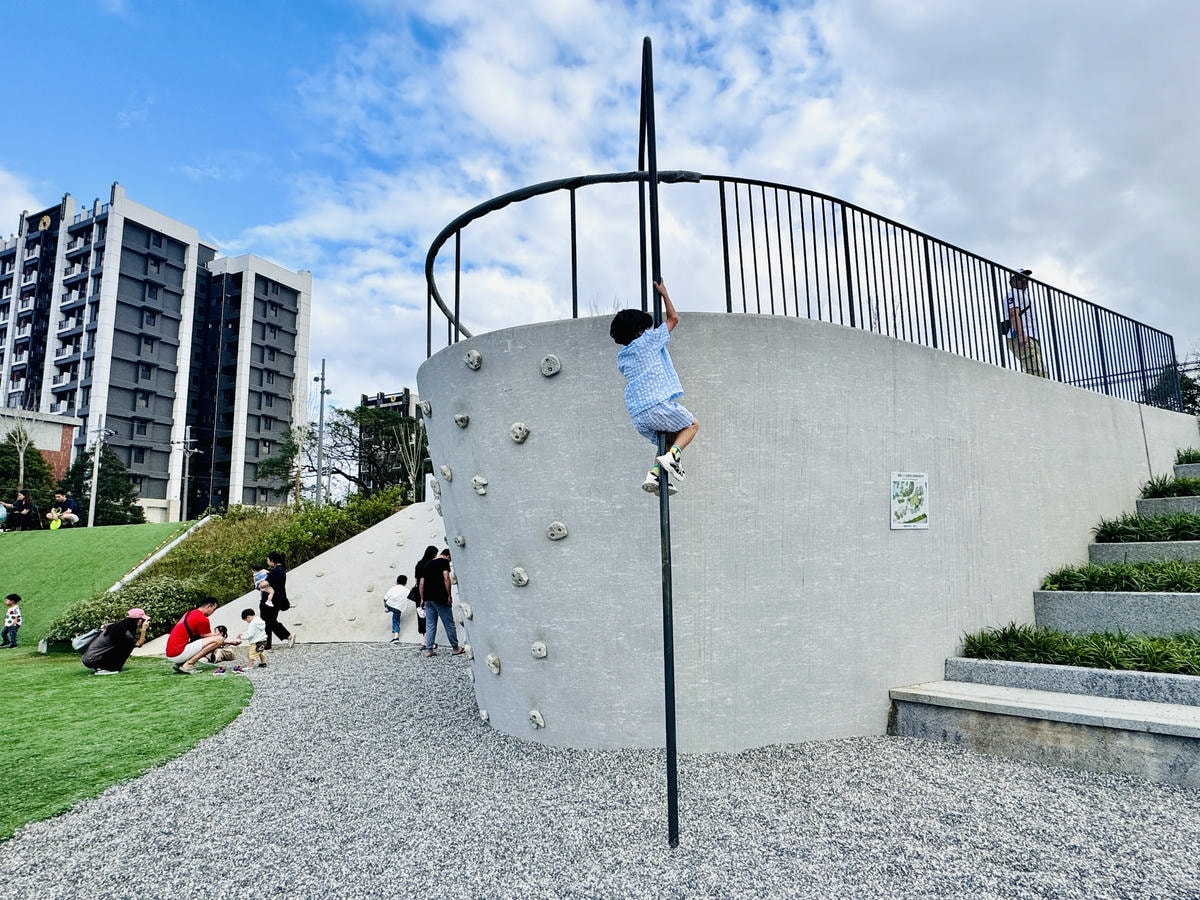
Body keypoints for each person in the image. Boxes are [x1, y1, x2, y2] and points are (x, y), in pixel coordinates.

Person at [610, 279, 700, 496]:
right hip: (655, 405)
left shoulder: (622, 357)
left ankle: (654, 474)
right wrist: (664, 294)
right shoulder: (649, 340)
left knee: (669, 438)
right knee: (692, 425)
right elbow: (673, 318)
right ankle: (673, 458)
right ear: (640, 329)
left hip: (638, 416)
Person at [165, 597, 233, 674]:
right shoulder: (202, 618)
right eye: (213, 609)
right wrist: (231, 642)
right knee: (219, 640)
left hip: (170, 653)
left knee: (216, 639)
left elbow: (201, 636)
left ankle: (180, 664)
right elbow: (211, 638)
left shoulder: (190, 613)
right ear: (209, 606)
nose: (213, 612)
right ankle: (189, 664)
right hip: (177, 654)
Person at [1005, 268, 1049, 378]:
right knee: (1037, 372)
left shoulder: (1022, 295)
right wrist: (1021, 335)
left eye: (1026, 278)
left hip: (1029, 337)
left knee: (1038, 371)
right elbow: (1013, 314)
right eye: (1020, 278)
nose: (1024, 280)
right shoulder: (1013, 294)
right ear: (1012, 282)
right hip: (1023, 337)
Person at [420, 549, 464, 657]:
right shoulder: (444, 562)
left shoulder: (428, 564)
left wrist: (422, 599)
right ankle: (455, 648)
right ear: (448, 556)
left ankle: (429, 650)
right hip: (440, 598)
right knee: (449, 623)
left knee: (430, 625)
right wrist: (449, 595)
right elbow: (446, 578)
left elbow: (422, 583)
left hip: (428, 599)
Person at [81, 608, 151, 675]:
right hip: (92, 659)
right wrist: (143, 630)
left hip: (89, 658)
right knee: (127, 647)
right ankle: (106, 668)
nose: (143, 622)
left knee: (126, 644)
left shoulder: (119, 626)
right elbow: (139, 644)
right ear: (138, 620)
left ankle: (102, 666)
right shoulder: (125, 632)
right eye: (142, 620)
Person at [259, 550, 295, 650]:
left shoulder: (275, 572)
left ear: (272, 560)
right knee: (269, 621)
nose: (267, 562)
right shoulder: (280, 570)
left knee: (268, 621)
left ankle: (288, 636)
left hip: (271, 601)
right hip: (277, 600)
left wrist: (258, 583)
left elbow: (264, 584)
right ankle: (267, 644)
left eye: (268, 560)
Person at [412, 545, 438, 643]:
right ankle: (429, 641)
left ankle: (424, 639)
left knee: (421, 615)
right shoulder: (431, 564)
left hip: (419, 593)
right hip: (429, 592)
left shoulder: (419, 564)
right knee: (431, 616)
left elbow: (417, 580)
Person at [383, 575, 409, 643]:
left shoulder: (393, 588)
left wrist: (385, 605)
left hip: (390, 605)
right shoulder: (407, 591)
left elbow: (385, 598)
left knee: (388, 604)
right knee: (396, 621)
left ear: (396, 581)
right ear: (405, 583)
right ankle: (396, 637)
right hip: (399, 608)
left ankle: (388, 609)